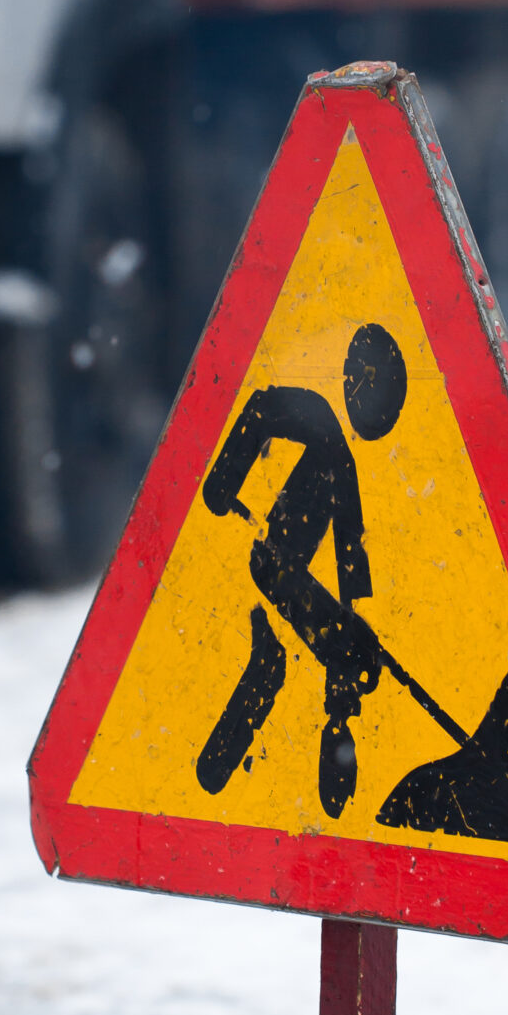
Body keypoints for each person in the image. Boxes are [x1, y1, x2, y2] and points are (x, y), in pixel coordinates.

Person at [196, 322, 408, 820]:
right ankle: (307, 708)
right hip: (265, 556)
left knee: (337, 652)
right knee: (324, 648)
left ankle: (329, 719)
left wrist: (355, 615)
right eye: (374, 389)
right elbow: (261, 408)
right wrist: (223, 483)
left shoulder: (342, 455)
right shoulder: (322, 423)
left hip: (279, 566)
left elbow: (350, 547)